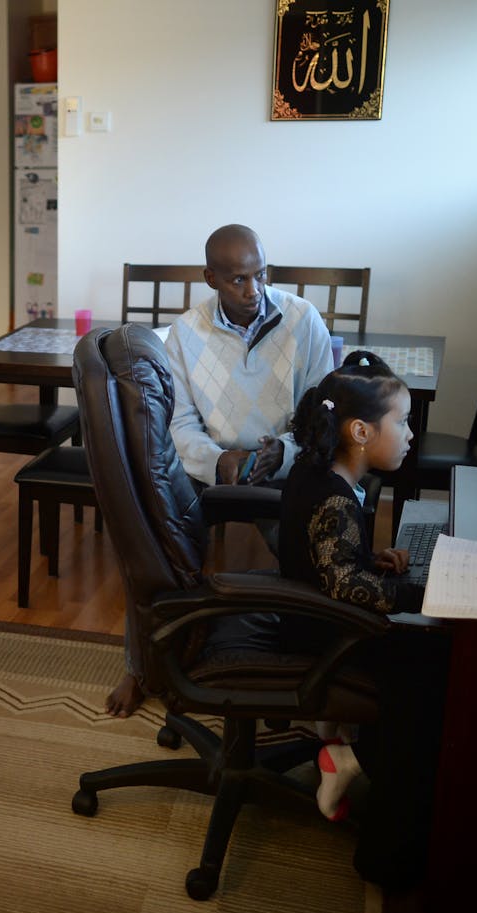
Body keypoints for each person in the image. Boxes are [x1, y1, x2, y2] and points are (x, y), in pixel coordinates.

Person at [107, 223, 334, 717]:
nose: (253, 290)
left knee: (313, 552)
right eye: (237, 280)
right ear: (210, 278)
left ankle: (310, 662)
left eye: (260, 274)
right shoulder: (184, 333)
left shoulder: (303, 319)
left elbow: (322, 412)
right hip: (211, 466)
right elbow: (180, 422)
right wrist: (217, 460)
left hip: (282, 464)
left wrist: (286, 452)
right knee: (152, 537)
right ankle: (142, 665)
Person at [281, 351, 449, 890]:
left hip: (315, 615)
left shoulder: (319, 470)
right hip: (324, 633)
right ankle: (351, 762)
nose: (409, 435)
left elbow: (332, 560)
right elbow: (343, 587)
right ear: (359, 431)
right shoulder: (335, 495)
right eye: (401, 422)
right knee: (431, 662)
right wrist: (414, 590)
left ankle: (353, 754)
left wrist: (370, 559)